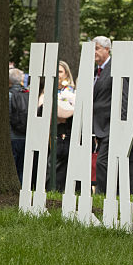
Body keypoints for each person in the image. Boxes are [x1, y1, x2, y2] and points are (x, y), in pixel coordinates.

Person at [92, 36, 114, 193]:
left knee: (102, 162)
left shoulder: (115, 68)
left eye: (97, 48)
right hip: (96, 125)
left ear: (107, 49)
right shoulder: (94, 71)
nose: (94, 52)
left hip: (110, 124)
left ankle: (105, 194)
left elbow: (124, 98)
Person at [53, 60, 75, 190]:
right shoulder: (48, 90)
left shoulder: (71, 91)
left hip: (65, 131)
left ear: (66, 74)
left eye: (60, 71)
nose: (58, 74)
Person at [9, 67, 30, 182]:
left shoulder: (9, 95)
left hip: (13, 137)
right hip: (25, 136)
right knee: (22, 168)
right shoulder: (27, 94)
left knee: (13, 167)